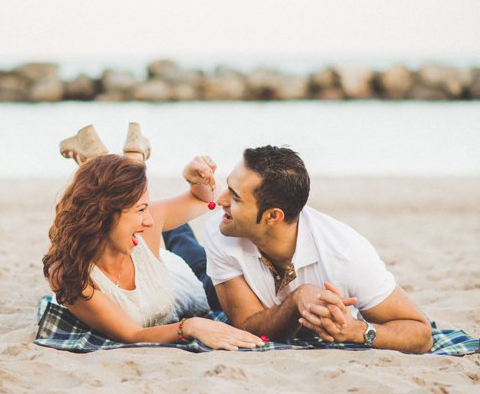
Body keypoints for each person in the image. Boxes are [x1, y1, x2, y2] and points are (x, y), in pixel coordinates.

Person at [202, 145, 433, 353]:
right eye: (227, 187)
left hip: (243, 291)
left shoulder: (345, 255)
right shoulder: (221, 228)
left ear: (273, 215)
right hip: (220, 284)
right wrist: (297, 299)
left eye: (235, 197)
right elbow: (247, 326)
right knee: (192, 265)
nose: (220, 200)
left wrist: (356, 331)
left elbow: (421, 335)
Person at [43, 149, 265, 352]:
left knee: (180, 238)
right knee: (174, 233)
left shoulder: (142, 228)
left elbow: (207, 200)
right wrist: (189, 327)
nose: (148, 219)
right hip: (161, 267)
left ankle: (120, 160)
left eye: (146, 208)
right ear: (104, 213)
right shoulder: (71, 277)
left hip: (194, 278)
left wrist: (196, 179)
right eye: (141, 209)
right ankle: (114, 159)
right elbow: (132, 334)